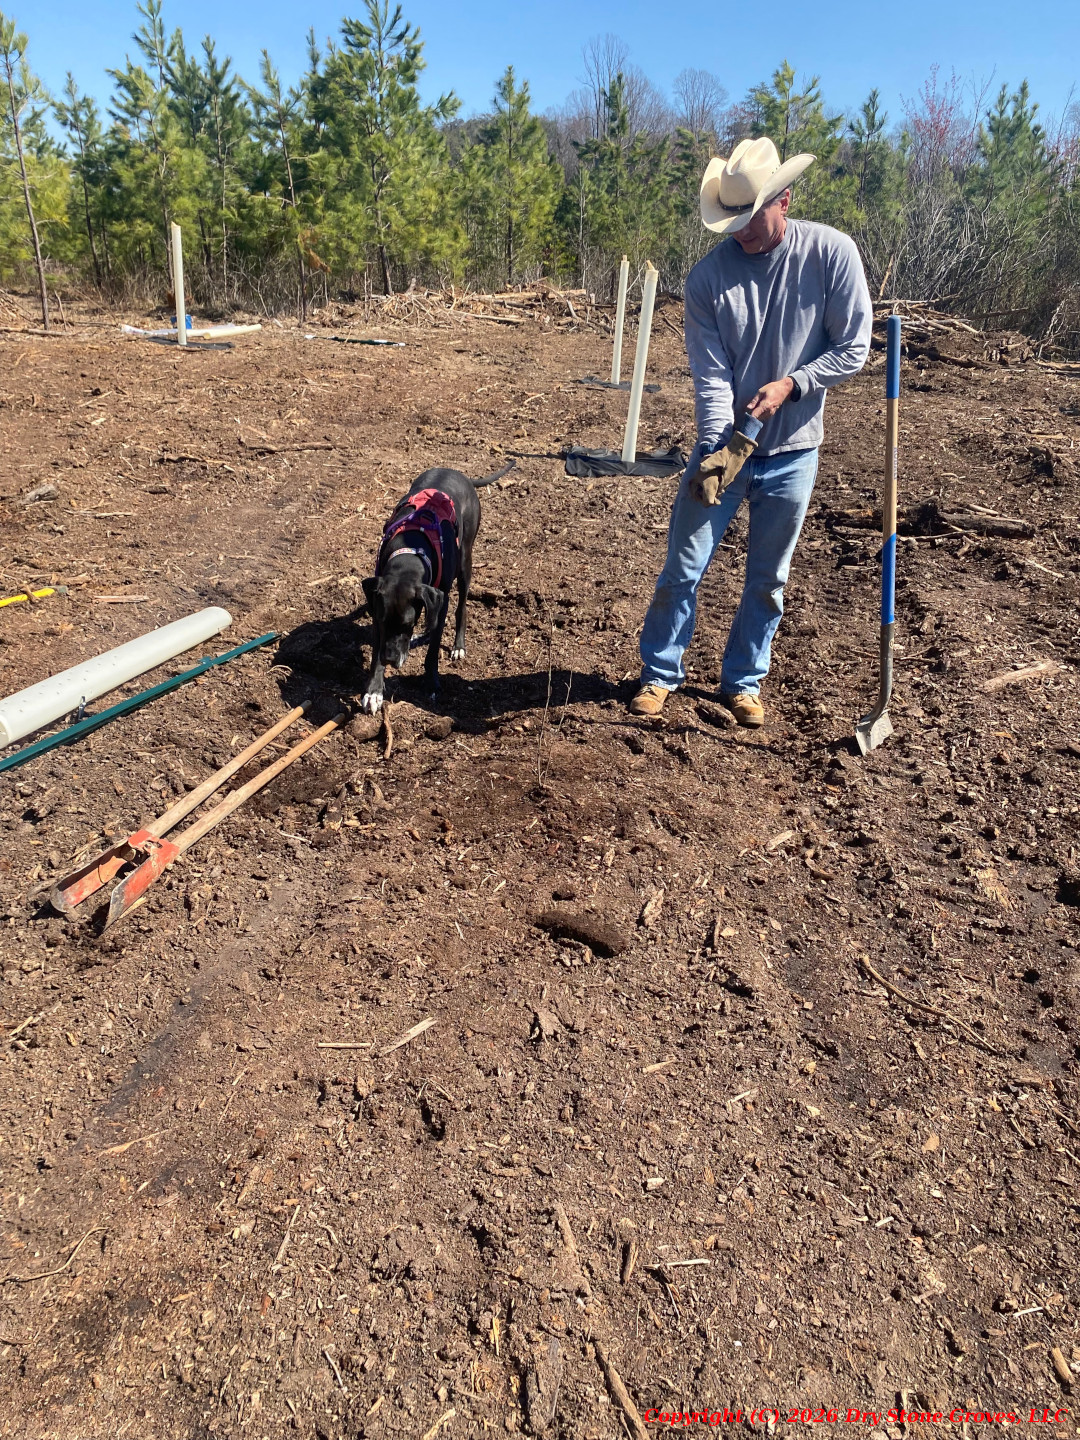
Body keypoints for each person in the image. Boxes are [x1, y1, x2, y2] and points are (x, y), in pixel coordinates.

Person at [629, 137, 873, 727]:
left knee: (768, 578)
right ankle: (660, 674)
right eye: (731, 221)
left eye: (752, 218)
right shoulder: (707, 280)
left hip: (794, 452)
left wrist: (794, 383)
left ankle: (742, 681)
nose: (741, 232)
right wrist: (717, 448)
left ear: (784, 199)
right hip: (726, 451)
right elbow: (711, 377)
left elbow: (855, 348)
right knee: (683, 566)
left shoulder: (831, 255)